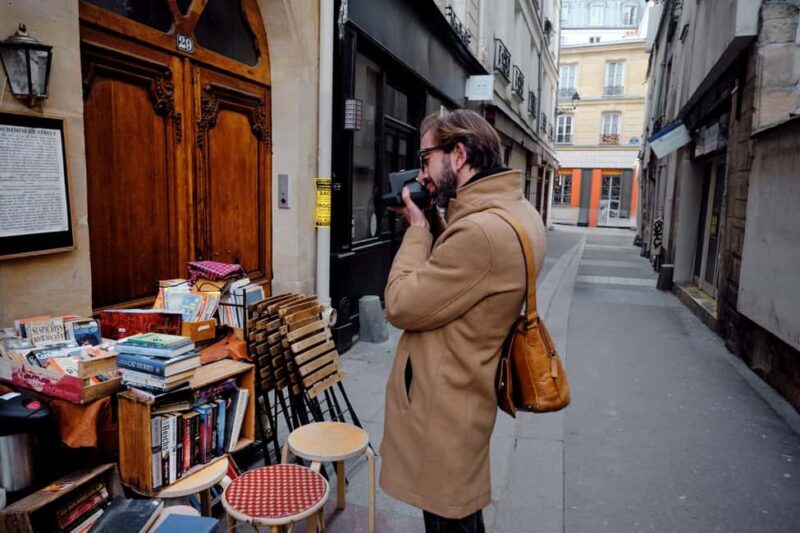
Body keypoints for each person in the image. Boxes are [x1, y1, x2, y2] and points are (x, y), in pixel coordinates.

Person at [379, 109, 546, 532]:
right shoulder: (517, 211)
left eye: (425, 159)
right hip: (467, 397)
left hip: (444, 411)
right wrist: (435, 216)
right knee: (461, 518)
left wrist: (417, 229)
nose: (421, 172)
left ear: (457, 154)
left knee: (449, 522)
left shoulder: (479, 233)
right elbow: (463, 280)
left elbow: (399, 304)